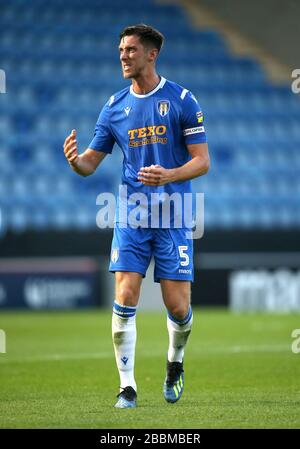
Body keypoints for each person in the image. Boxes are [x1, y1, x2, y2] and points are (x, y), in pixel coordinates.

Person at [63, 24, 210, 409]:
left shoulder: (181, 100)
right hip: (131, 212)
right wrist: (75, 162)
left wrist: (170, 174)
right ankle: (127, 387)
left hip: (176, 213)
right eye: (120, 49)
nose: (123, 55)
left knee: (177, 307)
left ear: (151, 54)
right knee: (126, 293)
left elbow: (202, 161)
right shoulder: (114, 107)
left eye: (130, 49)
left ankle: (175, 363)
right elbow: (89, 165)